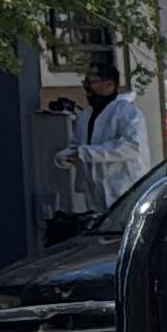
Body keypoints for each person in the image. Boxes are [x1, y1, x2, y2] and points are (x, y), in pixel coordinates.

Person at [55, 66, 151, 226]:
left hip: (124, 190)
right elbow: (78, 145)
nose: (88, 87)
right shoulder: (85, 115)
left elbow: (131, 147)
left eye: (93, 82)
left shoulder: (127, 112)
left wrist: (85, 153)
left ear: (109, 84)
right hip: (95, 194)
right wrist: (66, 156)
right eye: (86, 82)